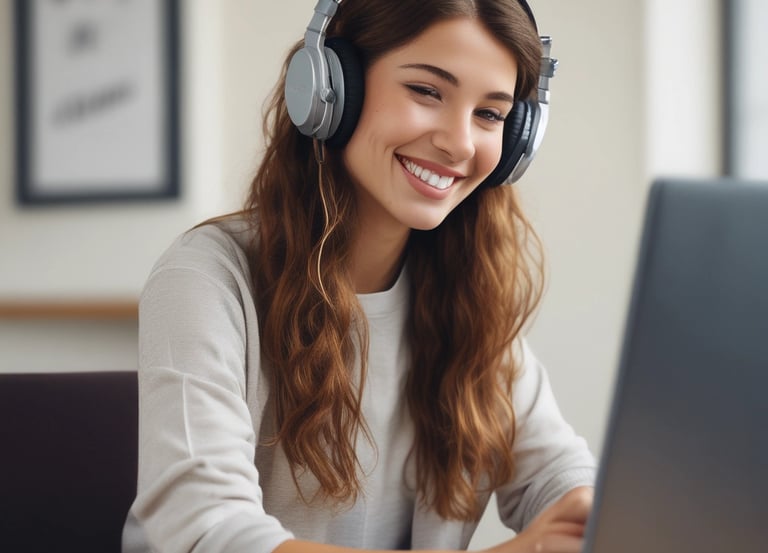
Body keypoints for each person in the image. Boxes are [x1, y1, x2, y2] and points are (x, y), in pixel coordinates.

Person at [123, 1, 596, 552]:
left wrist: (591, 515)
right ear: (330, 89)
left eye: (489, 115)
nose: (460, 143)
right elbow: (208, 531)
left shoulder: (467, 299)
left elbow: (561, 481)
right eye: (427, 91)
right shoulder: (206, 279)